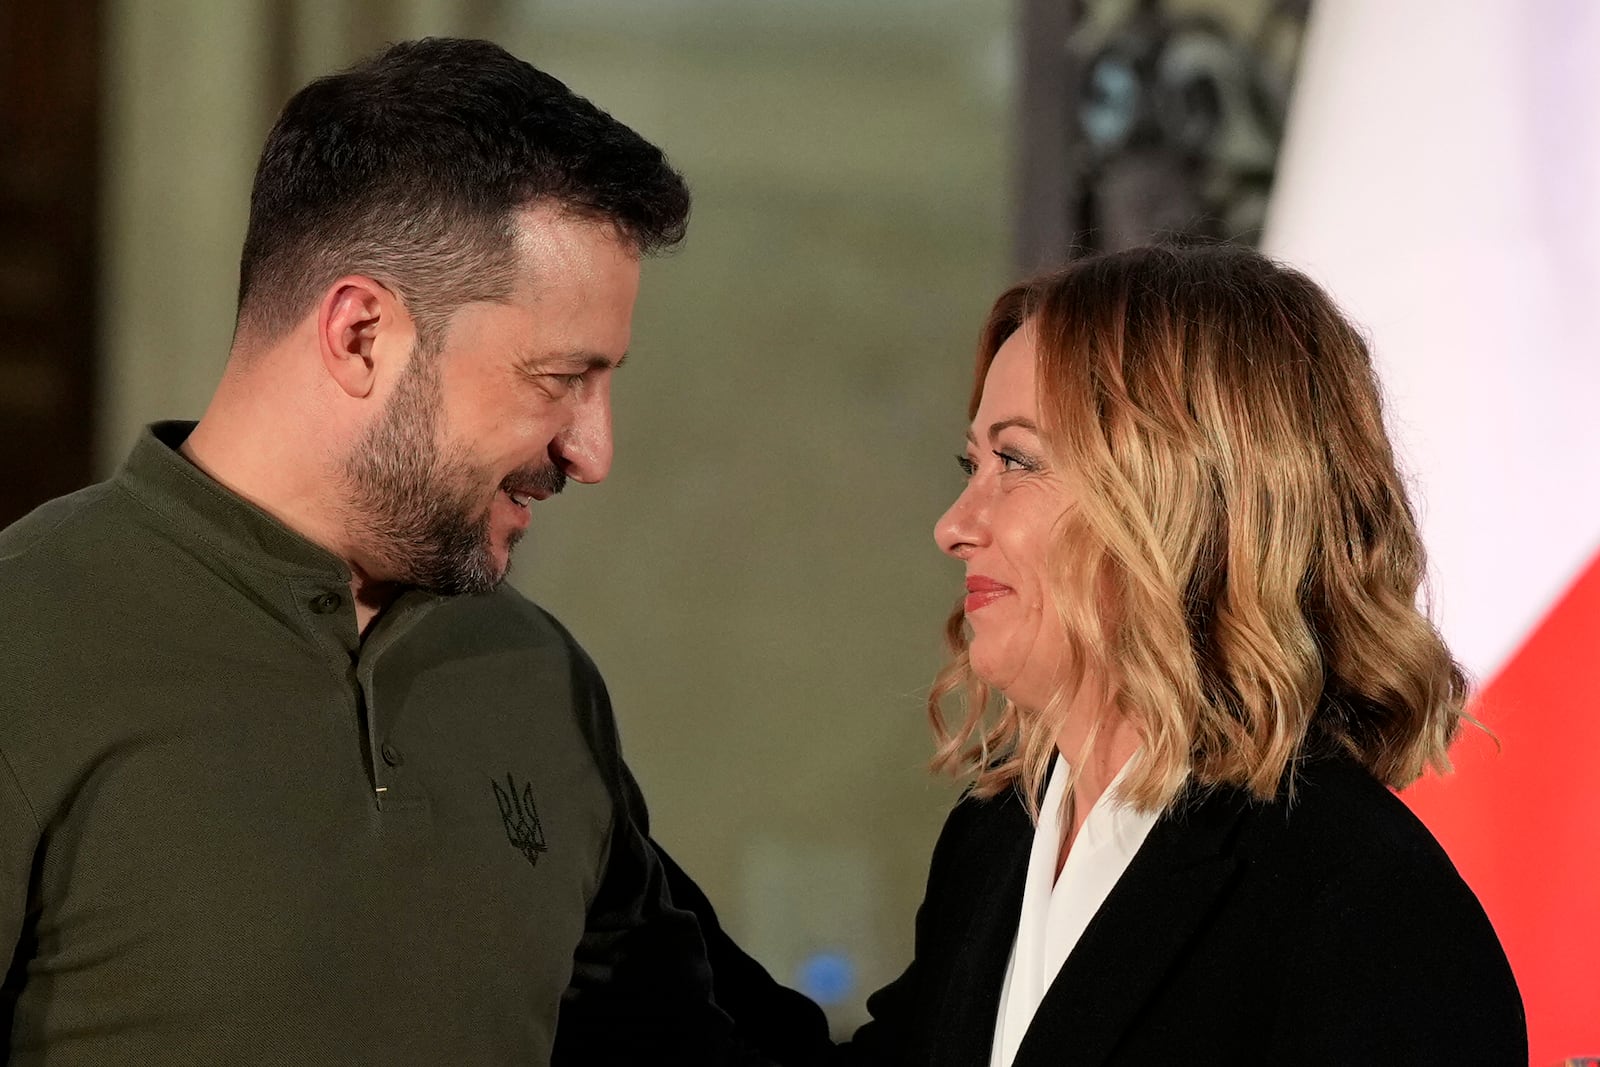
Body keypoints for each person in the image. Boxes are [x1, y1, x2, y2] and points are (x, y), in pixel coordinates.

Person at [0, 37, 825, 1066]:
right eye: (558, 377)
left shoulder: (536, 678)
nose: (594, 449)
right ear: (359, 335)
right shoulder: (24, 642)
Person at [831, 244, 1527, 1065]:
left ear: (1182, 500)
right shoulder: (993, 842)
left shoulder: (1372, 913)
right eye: (972, 462)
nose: (954, 524)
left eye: (1015, 461)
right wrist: (636, 870)